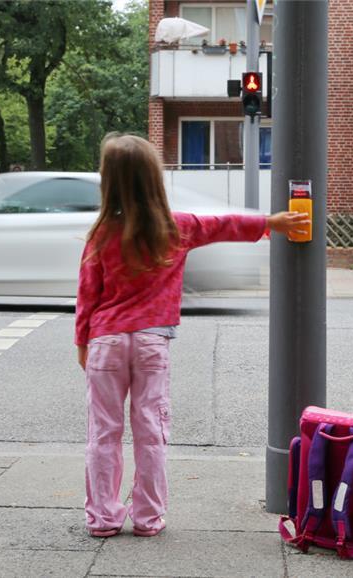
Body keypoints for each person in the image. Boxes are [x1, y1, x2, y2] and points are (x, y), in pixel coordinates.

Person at [75, 133, 310, 538]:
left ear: (107, 180)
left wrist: (82, 342)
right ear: (154, 179)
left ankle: (103, 518)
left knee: (104, 433)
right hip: (152, 343)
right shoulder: (177, 228)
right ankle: (148, 517)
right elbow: (224, 225)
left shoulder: (101, 235)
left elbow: (87, 294)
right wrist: (272, 223)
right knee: (151, 432)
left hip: (106, 342)